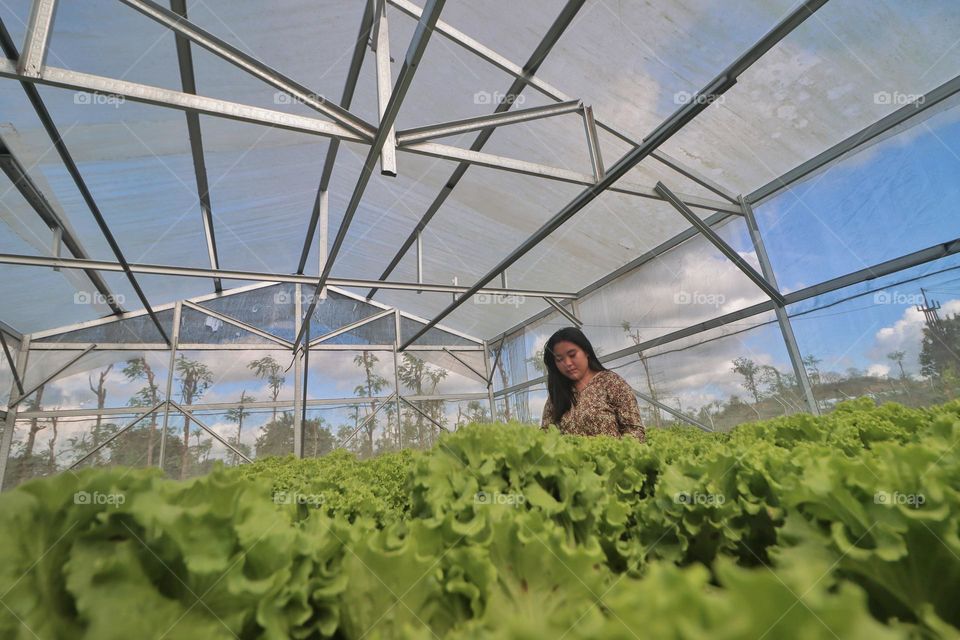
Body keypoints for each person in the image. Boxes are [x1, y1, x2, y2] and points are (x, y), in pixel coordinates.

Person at [540, 327, 645, 442]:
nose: (567, 363)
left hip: (611, 460)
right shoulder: (557, 394)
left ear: (586, 352)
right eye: (559, 359)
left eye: (572, 355)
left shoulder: (611, 383)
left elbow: (634, 431)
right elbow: (546, 434)